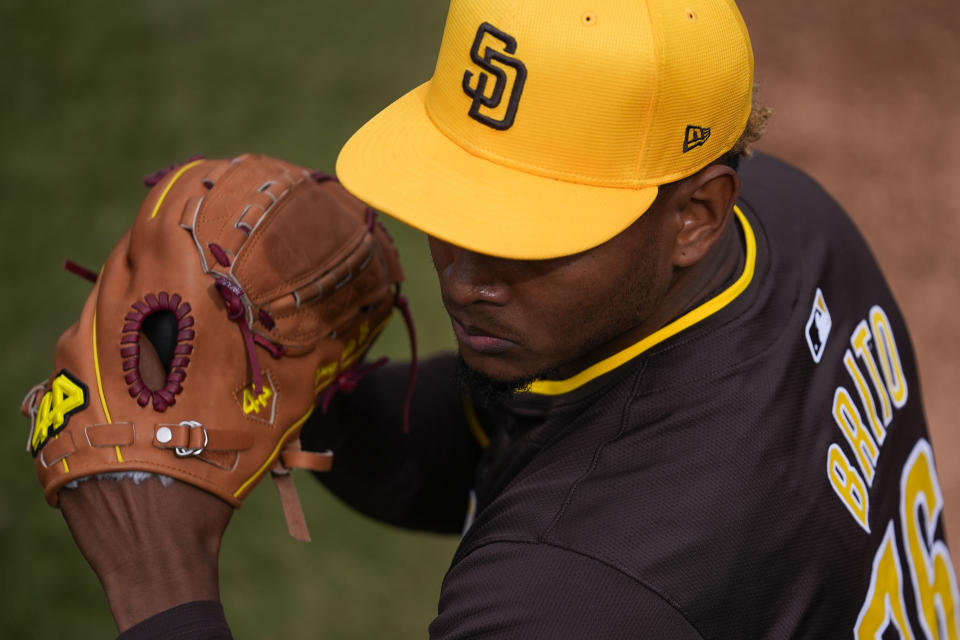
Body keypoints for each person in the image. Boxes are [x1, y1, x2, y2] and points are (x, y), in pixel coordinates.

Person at [58, 0, 959, 637]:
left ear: (694, 216)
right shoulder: (791, 224)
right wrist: (295, 376)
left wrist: (163, 591)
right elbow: (505, 437)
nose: (462, 277)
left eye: (529, 236)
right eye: (457, 208)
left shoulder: (572, 596)